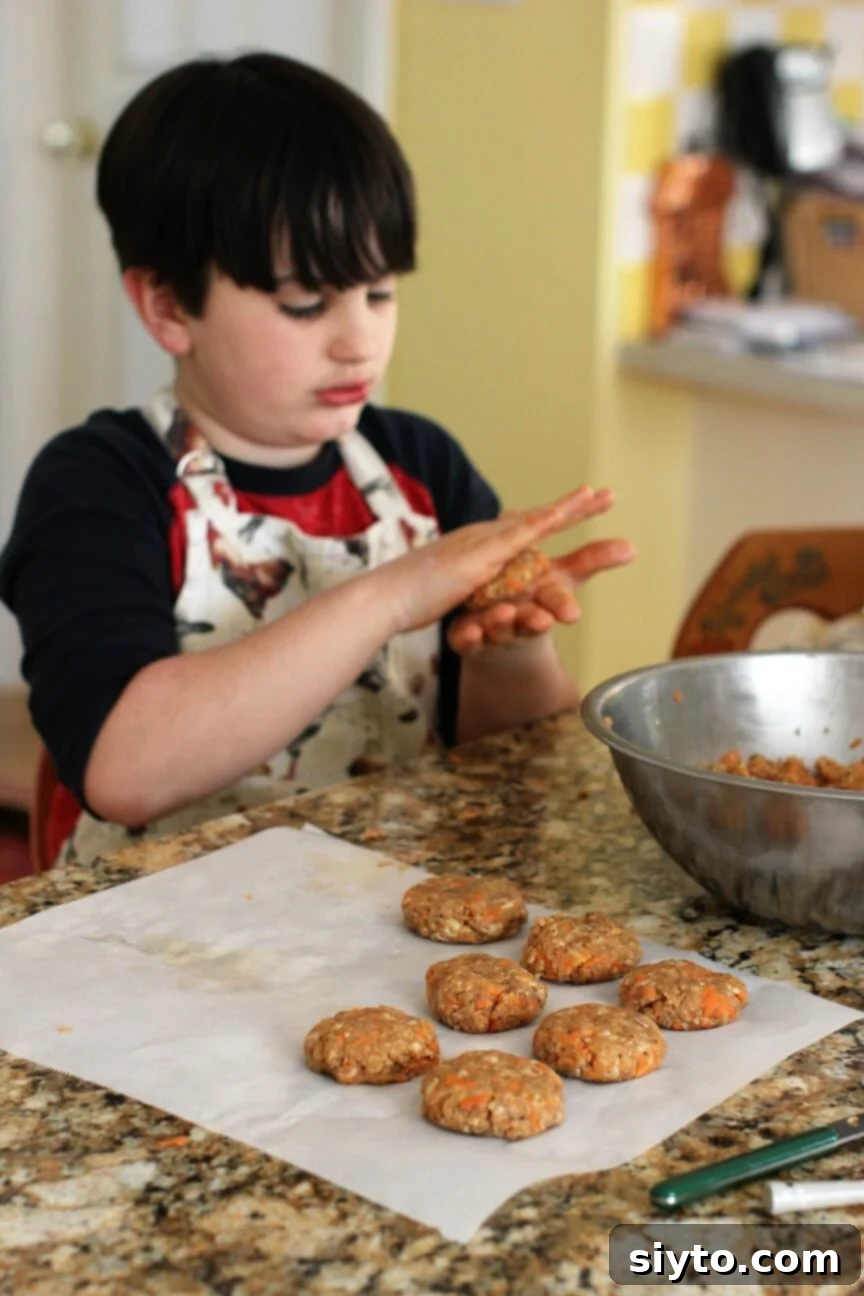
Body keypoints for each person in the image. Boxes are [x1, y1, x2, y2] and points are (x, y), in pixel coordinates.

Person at [0, 53, 634, 867]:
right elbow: (125, 770)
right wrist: (394, 596)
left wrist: (511, 655)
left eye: (379, 293)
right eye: (305, 305)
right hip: (150, 936)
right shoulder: (100, 484)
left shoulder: (419, 466)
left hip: (385, 914)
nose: (359, 340)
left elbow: (515, 757)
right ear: (168, 307)